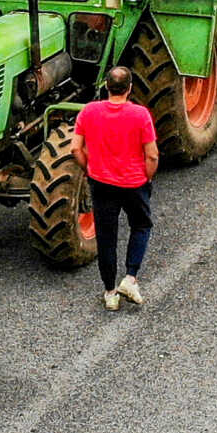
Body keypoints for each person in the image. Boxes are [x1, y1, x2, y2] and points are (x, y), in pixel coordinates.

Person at [70, 64, 159, 311]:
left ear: (106, 86)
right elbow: (152, 155)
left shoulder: (88, 112)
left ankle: (110, 293)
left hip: (101, 184)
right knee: (141, 225)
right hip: (134, 184)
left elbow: (75, 148)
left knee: (107, 239)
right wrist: (147, 177)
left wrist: (89, 169)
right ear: (129, 88)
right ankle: (130, 278)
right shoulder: (140, 115)